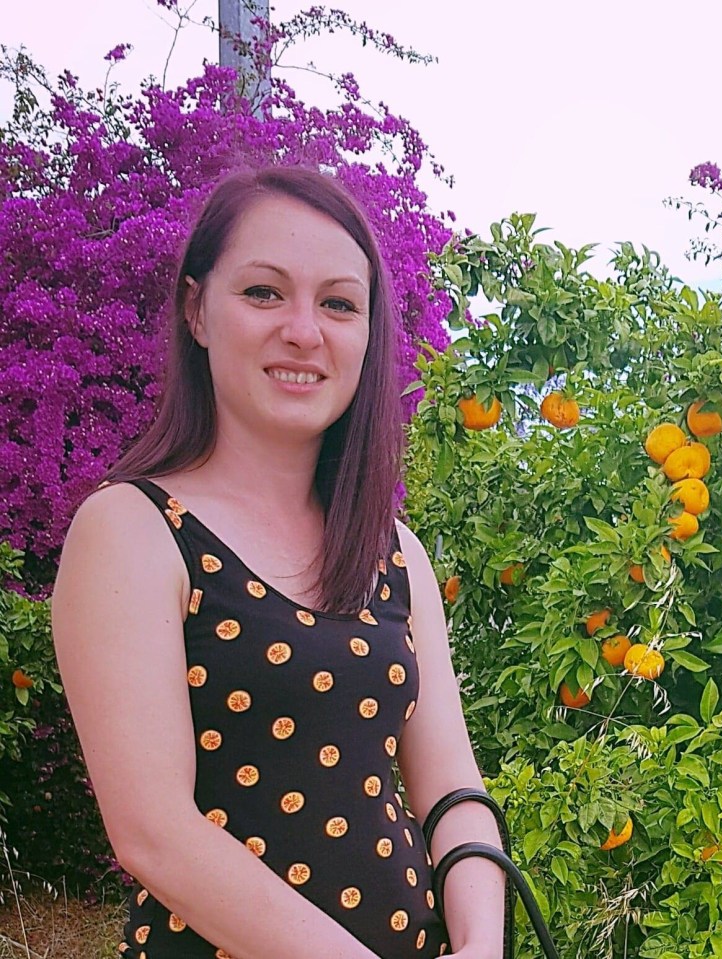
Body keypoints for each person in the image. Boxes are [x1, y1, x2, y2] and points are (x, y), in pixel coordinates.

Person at [51, 166, 505, 959]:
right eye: (264, 292)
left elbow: (451, 789)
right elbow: (154, 834)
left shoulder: (392, 550)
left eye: (338, 302)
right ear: (196, 309)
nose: (304, 330)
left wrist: (480, 941)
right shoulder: (130, 529)